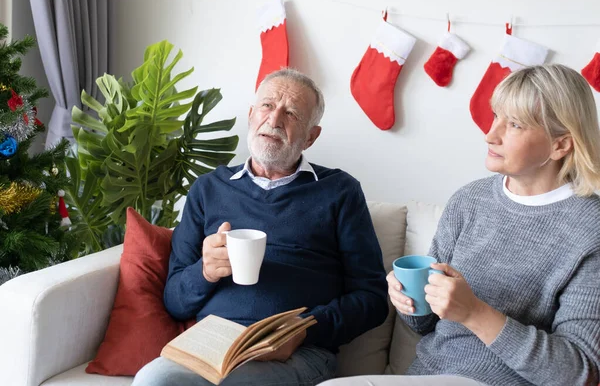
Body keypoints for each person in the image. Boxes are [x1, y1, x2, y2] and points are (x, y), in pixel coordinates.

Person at [320, 64, 600, 386]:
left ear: (560, 145)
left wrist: (474, 313)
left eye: (515, 124)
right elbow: (423, 324)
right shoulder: (470, 201)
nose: (490, 134)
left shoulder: (590, 228)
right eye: (496, 116)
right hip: (427, 377)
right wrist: (407, 298)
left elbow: (580, 373)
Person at [132, 68, 389, 386]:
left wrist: (303, 329)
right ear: (251, 115)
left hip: (297, 353)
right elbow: (174, 300)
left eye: (292, 112)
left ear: (311, 135)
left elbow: (373, 299)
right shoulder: (209, 189)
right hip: (212, 347)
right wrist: (205, 271)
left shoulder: (340, 191)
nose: (275, 119)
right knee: (153, 380)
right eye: (267, 105)